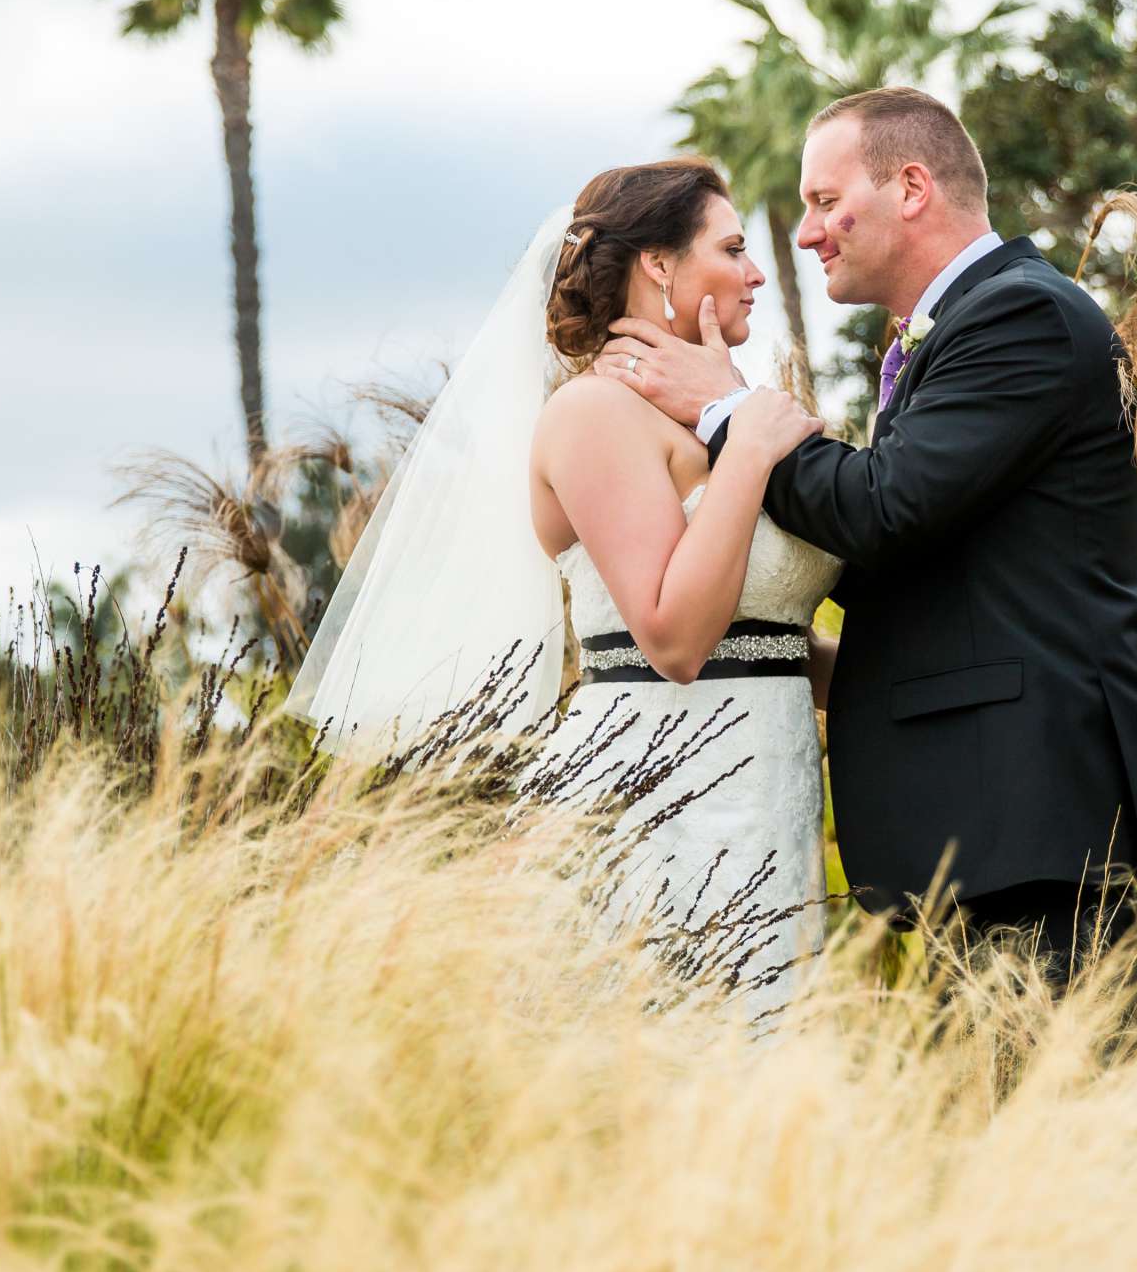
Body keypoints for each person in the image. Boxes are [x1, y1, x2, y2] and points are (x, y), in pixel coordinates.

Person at [596, 88, 1137, 985]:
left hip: (1051, 837)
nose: (805, 236)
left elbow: (884, 509)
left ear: (911, 187)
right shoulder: (959, 333)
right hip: (1000, 843)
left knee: (1062, 1117)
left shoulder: (1021, 316)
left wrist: (730, 412)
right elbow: (938, 576)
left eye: (824, 202)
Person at [286, 158, 837, 1018]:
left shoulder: (726, 412)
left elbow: (761, 639)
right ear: (659, 265)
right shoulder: (593, 415)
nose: (760, 270)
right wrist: (755, 450)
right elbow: (676, 638)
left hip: (771, 792)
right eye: (732, 248)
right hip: (662, 796)